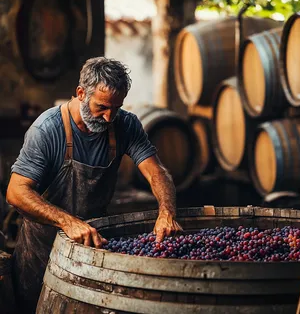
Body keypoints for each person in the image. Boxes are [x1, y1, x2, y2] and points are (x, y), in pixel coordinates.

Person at [6, 57, 183, 313]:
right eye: (102, 107)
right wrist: (67, 221)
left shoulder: (125, 124)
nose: (109, 117)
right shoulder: (47, 130)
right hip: (42, 251)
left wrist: (166, 211)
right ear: (81, 93)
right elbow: (16, 192)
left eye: (117, 107)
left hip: (95, 246)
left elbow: (157, 172)